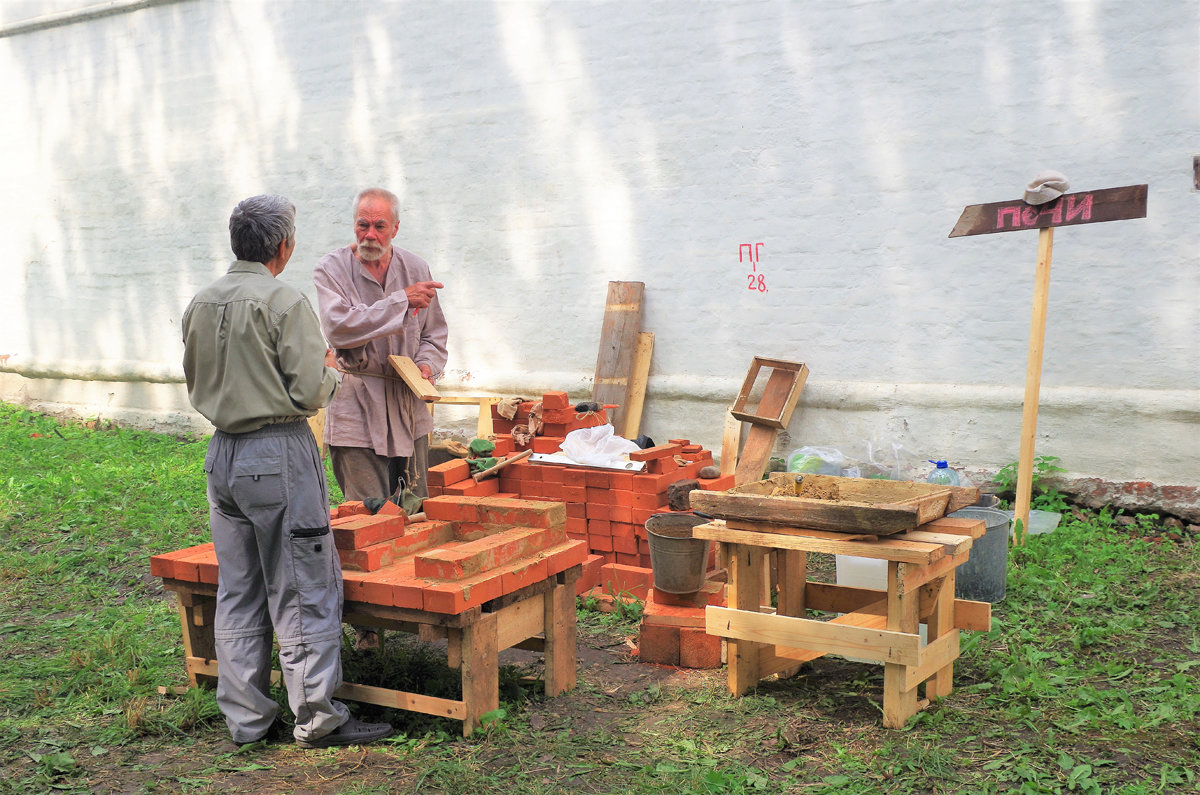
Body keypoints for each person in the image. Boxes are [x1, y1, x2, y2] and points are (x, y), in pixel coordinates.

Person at [181, 194, 392, 749]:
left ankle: (247, 720)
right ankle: (318, 716)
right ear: (284, 246)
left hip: (223, 452)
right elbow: (305, 392)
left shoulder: (201, 302)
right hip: (276, 450)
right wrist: (330, 373)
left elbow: (195, 378)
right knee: (302, 583)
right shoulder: (285, 302)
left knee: (239, 585)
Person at [313, 187, 448, 505]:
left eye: (380, 226)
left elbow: (434, 334)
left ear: (396, 228)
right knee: (368, 517)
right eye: (363, 225)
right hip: (357, 409)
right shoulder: (331, 269)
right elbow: (339, 327)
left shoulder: (415, 268)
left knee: (416, 511)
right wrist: (401, 300)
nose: (370, 234)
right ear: (354, 225)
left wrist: (427, 365)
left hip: (408, 409)